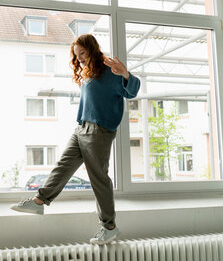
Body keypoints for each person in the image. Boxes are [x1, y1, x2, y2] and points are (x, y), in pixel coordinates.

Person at [10, 33, 141, 245]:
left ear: (92, 49)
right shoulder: (89, 72)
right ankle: (39, 201)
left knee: (98, 178)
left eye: (82, 52)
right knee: (63, 165)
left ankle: (110, 227)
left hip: (99, 130)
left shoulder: (110, 70)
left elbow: (132, 91)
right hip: (82, 127)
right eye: (76, 54)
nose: (79, 57)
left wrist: (125, 73)